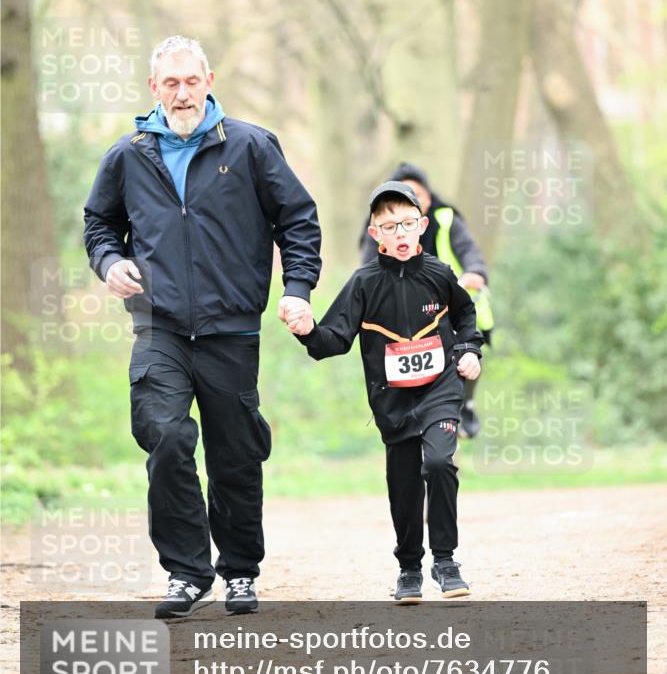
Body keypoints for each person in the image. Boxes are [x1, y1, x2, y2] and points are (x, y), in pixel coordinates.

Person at [84, 36, 321, 619]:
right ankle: (187, 572)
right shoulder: (128, 155)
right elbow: (99, 224)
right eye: (171, 83)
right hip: (158, 326)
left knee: (235, 453)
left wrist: (296, 289)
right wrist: (110, 263)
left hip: (231, 328)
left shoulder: (250, 146)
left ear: (209, 79)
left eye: (191, 81)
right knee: (165, 437)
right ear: (153, 88)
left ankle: (239, 572)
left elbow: (298, 218)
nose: (182, 92)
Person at [284, 181, 483, 603]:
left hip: (441, 388)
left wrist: (469, 352)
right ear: (375, 234)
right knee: (405, 483)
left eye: (408, 224)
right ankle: (410, 567)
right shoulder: (363, 283)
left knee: (440, 463)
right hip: (392, 402)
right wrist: (307, 331)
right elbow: (332, 340)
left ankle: (446, 562)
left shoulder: (439, 273)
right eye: (389, 227)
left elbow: (467, 317)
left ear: (422, 226)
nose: (400, 233)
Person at [360, 163, 493, 438]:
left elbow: (469, 252)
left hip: (448, 310)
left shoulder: (446, 219)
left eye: (418, 196)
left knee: (466, 351)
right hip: (401, 316)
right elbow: (366, 266)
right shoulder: (380, 225)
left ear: (429, 200)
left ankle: (462, 404)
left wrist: (475, 272)